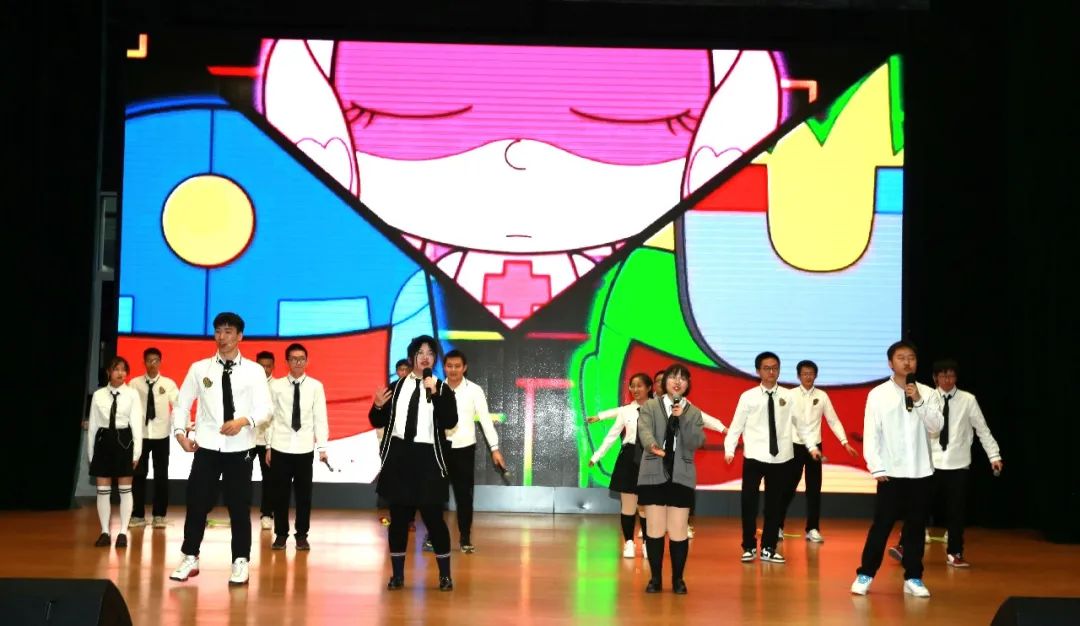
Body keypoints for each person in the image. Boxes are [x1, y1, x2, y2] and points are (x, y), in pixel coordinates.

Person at [168, 312, 273, 586]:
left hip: (241, 449)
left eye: (228, 332)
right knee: (196, 503)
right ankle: (190, 556)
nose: (222, 337)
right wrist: (179, 433)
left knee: (239, 506)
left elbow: (266, 409)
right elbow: (182, 404)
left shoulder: (254, 371)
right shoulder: (200, 368)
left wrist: (243, 421)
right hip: (207, 447)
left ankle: (240, 560)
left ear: (240, 336)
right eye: (218, 331)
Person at [887, 358, 1002, 568]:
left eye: (951, 376)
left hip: (958, 464)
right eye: (943, 376)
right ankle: (904, 546)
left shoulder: (968, 400)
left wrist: (994, 456)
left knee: (956, 512)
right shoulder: (927, 397)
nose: (947, 380)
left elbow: (982, 429)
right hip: (930, 462)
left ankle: (955, 553)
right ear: (935, 378)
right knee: (919, 507)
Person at [850, 340, 943, 598]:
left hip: (921, 472)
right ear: (890, 363)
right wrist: (876, 467)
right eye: (901, 357)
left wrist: (919, 400)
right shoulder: (878, 394)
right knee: (881, 526)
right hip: (890, 473)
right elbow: (871, 433)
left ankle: (913, 577)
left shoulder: (928, 392)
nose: (907, 362)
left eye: (911, 357)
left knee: (916, 528)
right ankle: (865, 573)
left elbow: (936, 427)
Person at [369, 335, 459, 591]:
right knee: (398, 521)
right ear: (412, 357)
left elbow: (450, 421)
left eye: (430, 353)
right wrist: (377, 406)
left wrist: (436, 393)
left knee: (434, 520)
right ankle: (397, 575)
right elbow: (376, 420)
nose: (425, 357)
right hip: (399, 457)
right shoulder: (396, 387)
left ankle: (445, 576)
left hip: (428, 459)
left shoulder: (442, 388)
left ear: (435, 359)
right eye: (420, 352)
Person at [725, 352, 820, 564]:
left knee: (774, 505)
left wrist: (812, 446)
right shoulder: (748, 396)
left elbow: (801, 425)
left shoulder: (789, 396)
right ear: (758, 371)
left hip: (781, 458)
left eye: (775, 368)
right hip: (754, 456)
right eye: (767, 368)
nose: (771, 372)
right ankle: (749, 546)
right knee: (749, 503)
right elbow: (736, 426)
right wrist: (729, 449)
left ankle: (769, 547)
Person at [636, 364, 705, 594]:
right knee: (654, 529)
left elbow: (696, 442)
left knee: (678, 530)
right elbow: (644, 431)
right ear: (664, 382)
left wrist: (682, 418)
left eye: (682, 379)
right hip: (654, 470)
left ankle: (678, 579)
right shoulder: (650, 406)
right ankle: (655, 579)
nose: (677, 382)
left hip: (681, 474)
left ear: (687, 385)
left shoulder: (693, 412)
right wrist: (653, 446)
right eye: (673, 377)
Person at [778, 360, 859, 543]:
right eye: (804, 373)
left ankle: (813, 529)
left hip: (815, 447)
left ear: (816, 375)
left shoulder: (822, 396)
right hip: (794, 446)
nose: (808, 377)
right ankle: (778, 526)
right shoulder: (790, 395)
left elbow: (833, 420)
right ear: (798, 376)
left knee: (814, 489)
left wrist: (844, 442)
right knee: (787, 488)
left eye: (811, 373)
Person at [441, 349, 506, 553]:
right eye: (449, 366)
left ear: (465, 368)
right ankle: (434, 536)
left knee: (464, 496)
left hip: (464, 449)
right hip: (439, 448)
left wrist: (495, 448)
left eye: (457, 366)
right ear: (444, 367)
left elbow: (485, 421)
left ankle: (465, 538)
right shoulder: (436, 388)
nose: (453, 370)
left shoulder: (475, 390)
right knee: (434, 496)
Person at [266, 343, 329, 551]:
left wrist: (322, 448)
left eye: (301, 359)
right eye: (293, 359)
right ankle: (281, 534)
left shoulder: (316, 386)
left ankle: (302, 535)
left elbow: (320, 418)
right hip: (280, 446)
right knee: (280, 495)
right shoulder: (275, 386)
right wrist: (268, 446)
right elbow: (270, 419)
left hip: (304, 448)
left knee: (304, 495)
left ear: (307, 361)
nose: (298, 362)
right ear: (287, 362)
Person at [587, 373, 653, 558]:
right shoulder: (626, 411)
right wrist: (597, 456)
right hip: (629, 457)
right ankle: (629, 543)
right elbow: (612, 435)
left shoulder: (658, 409)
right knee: (628, 505)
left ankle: (648, 543)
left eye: (640, 386)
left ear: (649, 388)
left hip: (650, 457)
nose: (635, 389)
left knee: (646, 506)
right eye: (632, 386)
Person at [87, 357, 144, 547]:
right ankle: (104, 531)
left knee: (125, 489)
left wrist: (136, 453)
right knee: (102, 490)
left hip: (124, 441)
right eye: (116, 369)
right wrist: (90, 454)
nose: (120, 373)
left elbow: (136, 425)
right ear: (108, 372)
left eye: (123, 370)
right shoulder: (98, 395)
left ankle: (122, 533)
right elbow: (93, 426)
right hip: (103, 441)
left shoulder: (132, 394)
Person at [128, 347, 179, 529]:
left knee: (161, 476)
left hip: (161, 435)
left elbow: (178, 405)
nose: (152, 364)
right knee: (138, 476)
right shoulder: (134, 384)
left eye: (156, 360)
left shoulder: (168, 383)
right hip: (140, 435)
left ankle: (159, 515)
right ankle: (138, 515)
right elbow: (127, 406)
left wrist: (182, 426)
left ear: (160, 362)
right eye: (149, 360)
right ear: (144, 362)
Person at [254, 350, 277, 531]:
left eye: (268, 366)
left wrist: (270, 444)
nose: (265, 369)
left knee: (270, 479)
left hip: (268, 442)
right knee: (240, 477)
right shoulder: (248, 384)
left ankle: (267, 514)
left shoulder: (277, 387)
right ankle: (239, 512)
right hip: (247, 439)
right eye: (261, 366)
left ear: (273, 367)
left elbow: (275, 418)